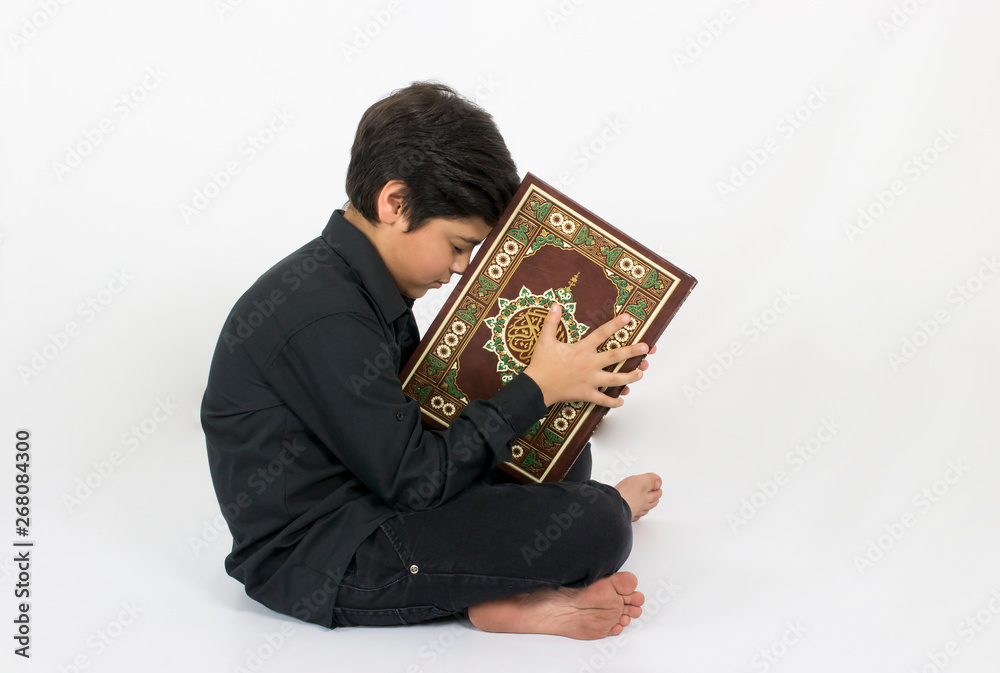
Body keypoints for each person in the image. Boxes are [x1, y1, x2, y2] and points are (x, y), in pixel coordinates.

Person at [200, 81, 662, 640]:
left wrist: (570, 386)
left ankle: (496, 594)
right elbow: (414, 482)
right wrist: (537, 389)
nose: (463, 267)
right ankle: (503, 592)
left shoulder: (360, 285)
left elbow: (416, 423)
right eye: (459, 245)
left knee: (563, 457)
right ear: (395, 204)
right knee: (601, 525)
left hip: (377, 494)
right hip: (327, 554)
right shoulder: (324, 315)